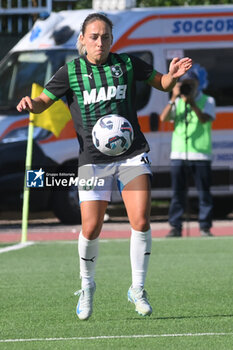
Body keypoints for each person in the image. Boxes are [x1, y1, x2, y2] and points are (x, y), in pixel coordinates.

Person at [17, 13, 192, 320]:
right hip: (93, 162)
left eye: (106, 37)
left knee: (140, 220)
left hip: (131, 154)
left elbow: (162, 84)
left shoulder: (127, 64)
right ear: (82, 40)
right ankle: (87, 287)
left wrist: (172, 75)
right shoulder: (70, 72)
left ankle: (137, 288)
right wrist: (32, 104)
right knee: (91, 227)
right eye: (94, 37)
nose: (100, 42)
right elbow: (44, 100)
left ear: (112, 39)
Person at [160, 64, 216, 238]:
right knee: (178, 192)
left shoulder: (208, 100)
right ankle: (175, 226)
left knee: (204, 192)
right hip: (179, 153)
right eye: (184, 83)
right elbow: (163, 118)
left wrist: (192, 103)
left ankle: (205, 226)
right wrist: (173, 97)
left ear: (197, 84)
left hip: (201, 154)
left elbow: (204, 119)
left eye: (190, 83)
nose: (187, 86)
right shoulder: (177, 101)